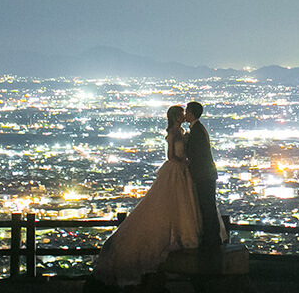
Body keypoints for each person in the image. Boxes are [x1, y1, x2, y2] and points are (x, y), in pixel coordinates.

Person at [90, 105, 201, 287]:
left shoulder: (181, 131)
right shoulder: (173, 133)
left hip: (183, 171)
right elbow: (170, 156)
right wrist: (183, 162)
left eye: (183, 114)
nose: (183, 117)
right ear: (174, 117)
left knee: (183, 205)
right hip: (176, 170)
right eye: (180, 114)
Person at [184, 100, 226, 248]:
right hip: (206, 174)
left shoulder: (197, 131)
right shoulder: (198, 129)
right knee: (207, 206)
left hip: (203, 175)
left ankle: (212, 239)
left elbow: (197, 155)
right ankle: (211, 237)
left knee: (207, 206)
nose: (185, 114)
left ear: (191, 113)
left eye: (187, 111)